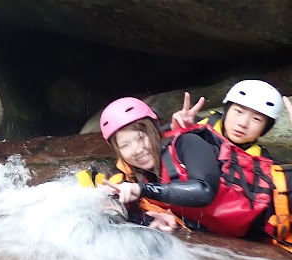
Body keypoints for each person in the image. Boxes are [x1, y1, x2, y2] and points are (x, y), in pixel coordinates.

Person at [99, 89, 292, 245]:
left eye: (141, 138)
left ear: (154, 132)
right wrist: (153, 219)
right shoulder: (129, 176)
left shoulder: (188, 142)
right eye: (125, 145)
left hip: (278, 207)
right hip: (248, 233)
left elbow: (204, 190)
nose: (137, 150)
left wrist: (142, 189)